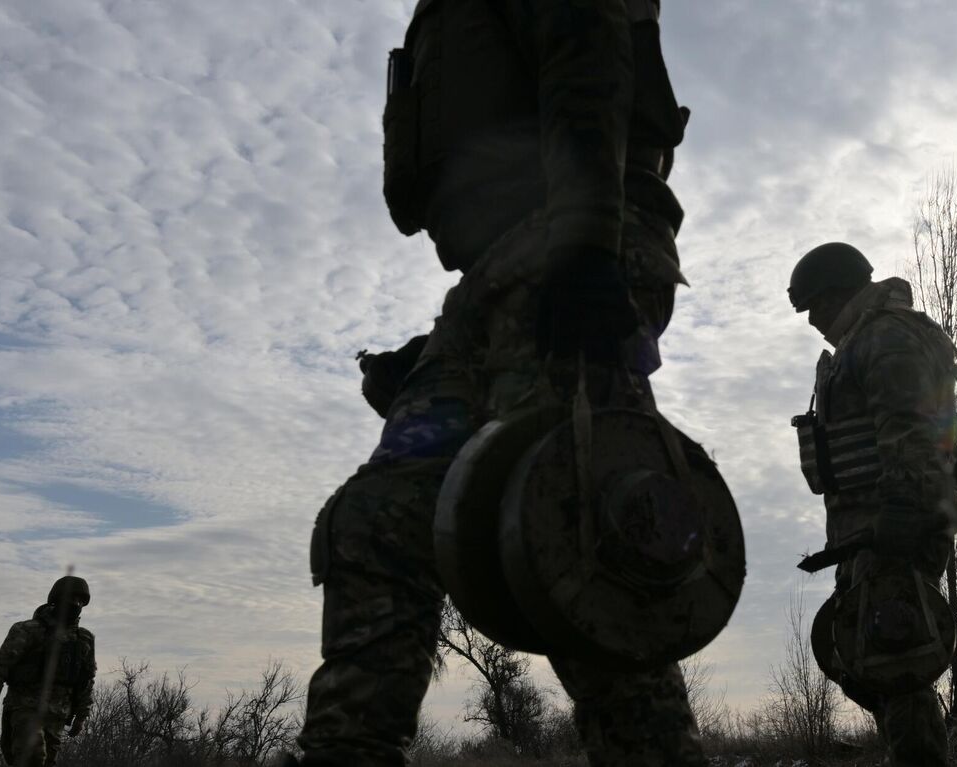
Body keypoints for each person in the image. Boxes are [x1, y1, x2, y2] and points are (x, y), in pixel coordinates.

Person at [291, 1, 702, 765]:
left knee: (576, 520)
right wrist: (447, 355)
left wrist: (585, 245)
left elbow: (590, 56)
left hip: (576, 244)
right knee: (378, 515)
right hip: (489, 282)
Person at [789, 242, 957, 766]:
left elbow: (909, 426)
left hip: (894, 529)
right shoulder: (865, 341)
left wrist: (901, 514)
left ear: (841, 293)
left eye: (816, 306)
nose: (814, 321)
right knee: (874, 661)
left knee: (897, 658)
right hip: (872, 530)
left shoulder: (885, 337)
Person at [0, 576, 96, 767]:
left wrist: (82, 716)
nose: (76, 604)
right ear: (57, 599)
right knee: (33, 756)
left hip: (58, 714)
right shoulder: (27, 630)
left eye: (80, 601)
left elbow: (86, 679)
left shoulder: (84, 639)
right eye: (71, 599)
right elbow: (1, 665)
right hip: (24, 707)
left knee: (46, 762)